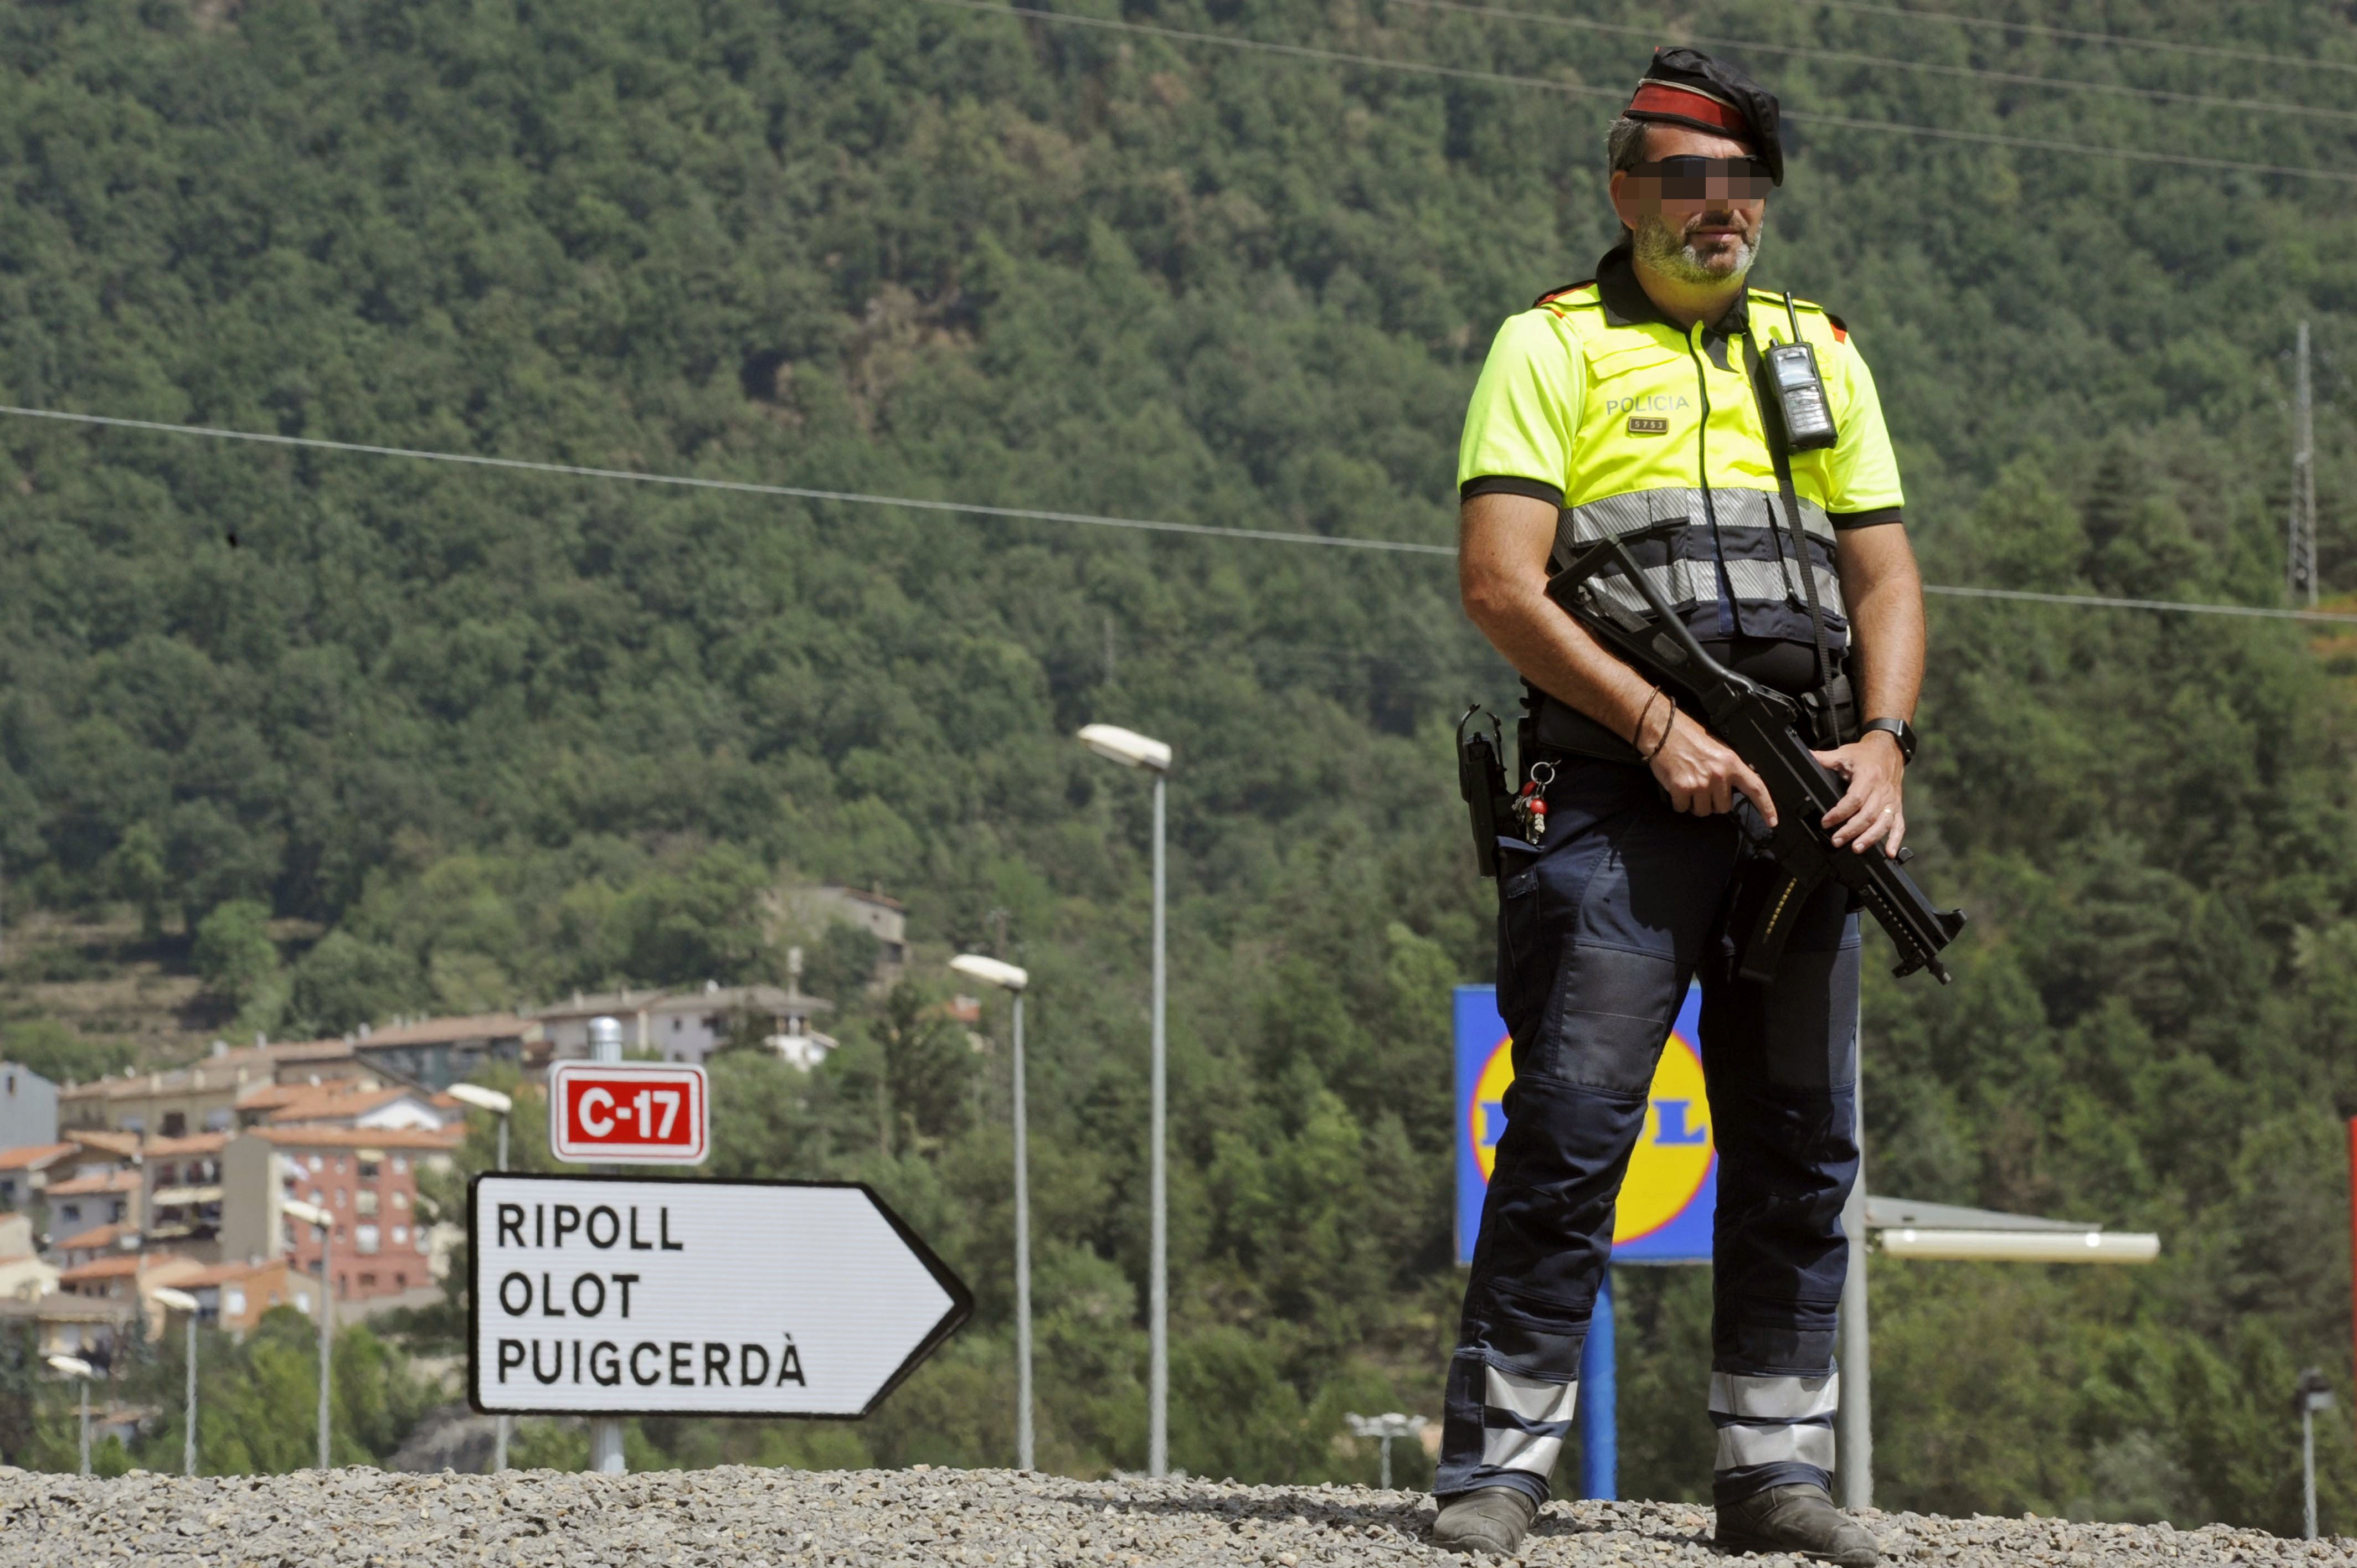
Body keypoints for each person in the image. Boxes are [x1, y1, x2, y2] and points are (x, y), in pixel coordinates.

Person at [1432, 47, 1924, 1565]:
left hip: (1805, 810)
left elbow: (1888, 574)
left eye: (1750, 187)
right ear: (1625, 188)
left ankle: (1771, 1479)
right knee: (1576, 1124)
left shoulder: (1821, 354)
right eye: (1695, 183)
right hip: (1610, 801)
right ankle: (1498, 1472)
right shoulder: (1552, 348)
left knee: (1800, 1141)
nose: (1728, 213)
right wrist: (1652, 723)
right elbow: (1499, 584)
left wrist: (1888, 746)